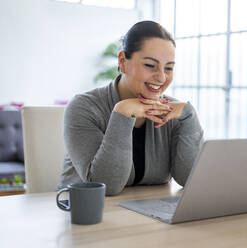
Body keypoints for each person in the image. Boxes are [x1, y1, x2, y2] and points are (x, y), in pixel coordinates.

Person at [58, 21, 204, 196]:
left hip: (144, 215)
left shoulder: (173, 112)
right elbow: (106, 185)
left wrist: (189, 117)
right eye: (150, 65)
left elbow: (190, 179)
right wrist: (123, 113)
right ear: (122, 61)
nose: (161, 77)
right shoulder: (84, 107)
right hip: (84, 215)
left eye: (169, 68)